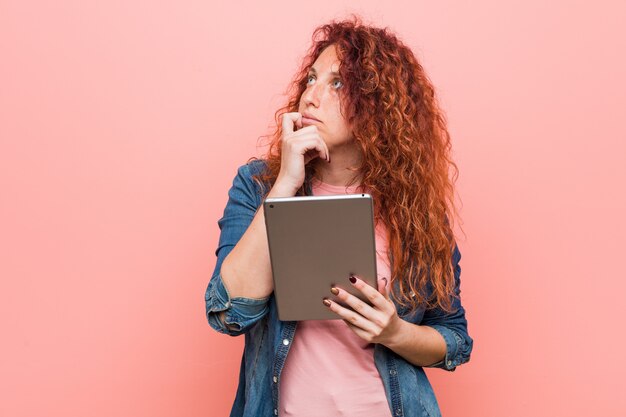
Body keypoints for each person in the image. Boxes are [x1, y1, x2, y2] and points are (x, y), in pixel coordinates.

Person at [205, 15, 473, 417]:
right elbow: (229, 314)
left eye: (337, 84)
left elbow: (453, 339)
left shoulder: (415, 212)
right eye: (311, 79)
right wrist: (285, 187)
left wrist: (395, 333)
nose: (311, 96)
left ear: (377, 106)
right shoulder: (258, 185)